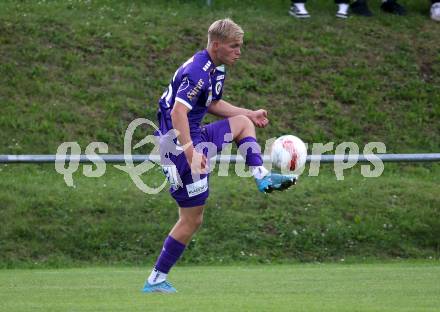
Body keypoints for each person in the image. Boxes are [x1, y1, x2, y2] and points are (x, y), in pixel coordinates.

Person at [142, 18, 296, 293]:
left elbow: (211, 102)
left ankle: (262, 177)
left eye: (240, 46)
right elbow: (178, 112)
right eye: (234, 46)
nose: (239, 51)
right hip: (177, 146)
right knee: (191, 219)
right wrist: (190, 153)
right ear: (216, 45)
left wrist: (248, 113)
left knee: (242, 124)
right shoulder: (198, 71)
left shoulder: (216, 68)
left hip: (194, 136)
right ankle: (155, 280)